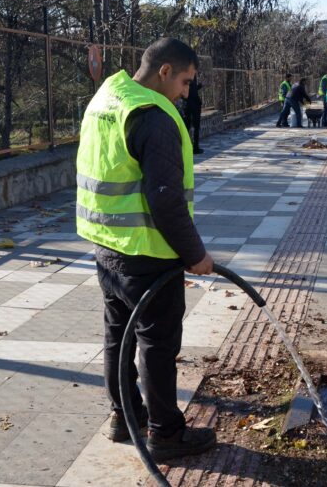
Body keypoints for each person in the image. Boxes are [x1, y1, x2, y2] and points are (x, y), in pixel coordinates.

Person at [75, 37, 217, 463]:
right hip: (148, 254)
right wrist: (196, 255)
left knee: (117, 337)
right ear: (165, 71)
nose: (186, 93)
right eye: (186, 82)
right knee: (157, 345)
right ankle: (165, 435)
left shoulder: (107, 98)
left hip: (107, 247)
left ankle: (124, 417)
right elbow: (166, 200)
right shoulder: (154, 116)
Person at [183, 74, 204, 154]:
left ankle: (192, 147)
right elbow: (191, 91)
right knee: (193, 127)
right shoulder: (190, 74)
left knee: (189, 126)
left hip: (189, 103)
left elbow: (191, 90)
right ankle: (194, 147)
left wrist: (198, 86)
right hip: (192, 104)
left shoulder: (189, 74)